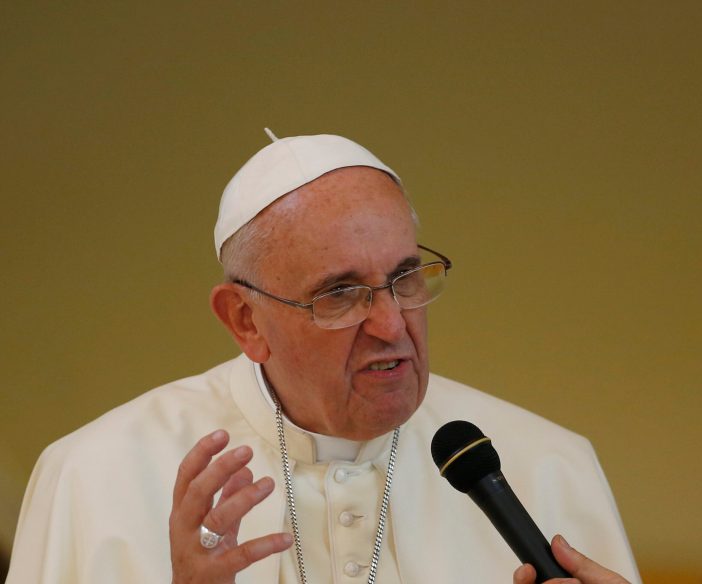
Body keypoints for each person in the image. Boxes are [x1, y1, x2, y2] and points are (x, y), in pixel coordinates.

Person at [7, 131, 642, 584]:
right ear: (246, 320)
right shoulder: (92, 478)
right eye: (340, 294)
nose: (391, 323)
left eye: (406, 277)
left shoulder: (549, 466)